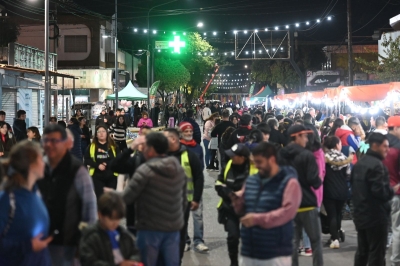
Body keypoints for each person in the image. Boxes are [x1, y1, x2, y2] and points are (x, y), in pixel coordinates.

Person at [230, 142, 302, 266]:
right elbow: (244, 209)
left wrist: (257, 219)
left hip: (275, 254)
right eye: (255, 162)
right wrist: (237, 201)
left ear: (272, 160)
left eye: (259, 162)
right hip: (249, 252)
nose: (256, 166)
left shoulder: (289, 183)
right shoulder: (252, 180)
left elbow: (287, 213)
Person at [122, 133, 187, 266]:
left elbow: (127, 198)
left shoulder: (145, 171)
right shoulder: (178, 168)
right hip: (173, 229)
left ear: (151, 150)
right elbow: (184, 200)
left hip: (149, 230)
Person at [37, 124, 97, 266]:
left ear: (65, 143)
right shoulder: (38, 167)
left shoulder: (77, 171)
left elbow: (90, 209)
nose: (49, 145)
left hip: (67, 242)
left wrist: (84, 241)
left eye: (55, 141)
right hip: (40, 241)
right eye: (46, 141)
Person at [0, 141, 53, 266]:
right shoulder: (7, 199)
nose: (44, 162)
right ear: (31, 165)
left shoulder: (35, 192)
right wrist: (27, 246)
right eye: (41, 158)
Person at [279, 124, 323, 266]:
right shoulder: (306, 155)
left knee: (292, 243)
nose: (306, 139)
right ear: (296, 136)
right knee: (316, 241)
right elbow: (314, 181)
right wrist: (319, 180)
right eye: (304, 136)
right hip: (307, 204)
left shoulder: (280, 155)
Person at [352, 133, 397, 266]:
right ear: (375, 146)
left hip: (360, 214)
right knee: (377, 254)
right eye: (385, 147)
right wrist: (392, 189)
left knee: (362, 251)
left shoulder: (360, 163)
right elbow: (380, 192)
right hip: (376, 217)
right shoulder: (377, 166)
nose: (388, 150)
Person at [163, 128, 206, 258]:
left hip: (186, 198)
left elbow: (199, 176)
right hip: (166, 200)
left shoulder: (189, 154)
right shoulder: (161, 154)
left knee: (182, 227)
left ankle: (186, 246)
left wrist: (196, 198)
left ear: (174, 139)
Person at [215, 143, 258, 266]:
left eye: (234, 156)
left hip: (248, 210)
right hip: (230, 208)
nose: (231, 158)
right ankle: (234, 262)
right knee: (233, 237)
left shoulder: (254, 169)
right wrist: (232, 194)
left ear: (242, 157)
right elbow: (219, 183)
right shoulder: (229, 165)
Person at [79, 192, 141, 266]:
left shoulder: (125, 235)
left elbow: (135, 252)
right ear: (100, 215)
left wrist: (132, 262)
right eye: (111, 219)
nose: (115, 223)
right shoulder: (90, 236)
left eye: (118, 219)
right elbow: (88, 261)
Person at [178, 122, 207, 253]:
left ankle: (198, 241)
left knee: (198, 216)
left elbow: (201, 167)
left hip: (195, 188)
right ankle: (184, 240)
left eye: (190, 131)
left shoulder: (197, 148)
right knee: (182, 218)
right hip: (180, 190)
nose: (189, 133)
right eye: (186, 131)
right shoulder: (177, 148)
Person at [323, 136, 352, 249]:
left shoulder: (324, 158)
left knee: (332, 215)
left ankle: (334, 238)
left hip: (328, 190)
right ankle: (337, 234)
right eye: (340, 144)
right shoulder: (345, 158)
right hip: (342, 190)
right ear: (336, 145)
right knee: (339, 213)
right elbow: (348, 175)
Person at [84, 125, 120, 199]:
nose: (101, 133)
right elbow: (87, 159)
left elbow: (119, 159)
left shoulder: (113, 146)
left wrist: (109, 164)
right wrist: (97, 165)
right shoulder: (92, 146)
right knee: (100, 199)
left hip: (111, 177)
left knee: (111, 199)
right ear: (96, 135)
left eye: (103, 131)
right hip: (97, 177)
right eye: (99, 132)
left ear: (107, 133)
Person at [383, 116, 400, 265]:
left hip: (377, 193)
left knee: (379, 228)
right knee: (397, 229)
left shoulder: (375, 143)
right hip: (395, 193)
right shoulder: (398, 147)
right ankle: (395, 261)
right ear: (394, 128)